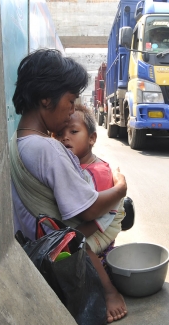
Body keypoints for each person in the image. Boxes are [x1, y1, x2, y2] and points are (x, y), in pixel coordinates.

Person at [9, 49, 127, 323]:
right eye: (71, 100)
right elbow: (87, 210)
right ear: (46, 98)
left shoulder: (16, 143)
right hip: (57, 258)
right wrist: (120, 188)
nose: (72, 110)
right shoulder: (48, 149)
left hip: (31, 248)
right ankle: (108, 291)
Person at [53, 104, 125, 259]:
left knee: (82, 249)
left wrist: (74, 236)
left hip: (100, 228)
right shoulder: (71, 166)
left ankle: (106, 284)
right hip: (85, 225)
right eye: (59, 133)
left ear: (91, 138)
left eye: (73, 131)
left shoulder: (99, 172)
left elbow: (102, 215)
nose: (65, 137)